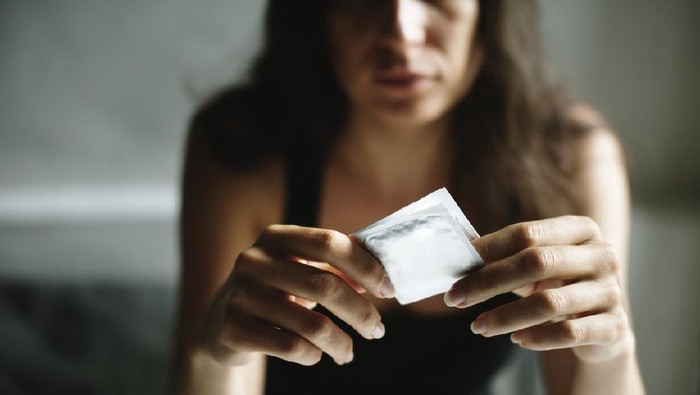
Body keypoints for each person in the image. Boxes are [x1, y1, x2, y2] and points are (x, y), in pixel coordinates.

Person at [171, 0, 646, 394]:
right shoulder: (240, 146)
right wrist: (213, 351)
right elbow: (212, 373)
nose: (402, 32)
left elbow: (587, 363)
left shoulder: (570, 152)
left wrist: (613, 349)